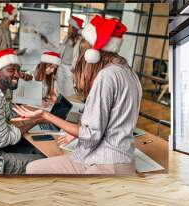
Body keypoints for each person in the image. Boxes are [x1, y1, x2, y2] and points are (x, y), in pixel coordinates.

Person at [13, 15, 142, 175]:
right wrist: (75, 132)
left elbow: (90, 135)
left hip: (106, 163)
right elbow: (101, 126)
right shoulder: (129, 72)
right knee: (32, 168)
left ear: (91, 54)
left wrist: (46, 116)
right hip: (94, 157)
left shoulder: (106, 76)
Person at [40, 15, 84, 97]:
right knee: (59, 90)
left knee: (69, 92)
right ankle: (59, 106)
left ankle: (68, 107)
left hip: (70, 69)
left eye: (70, 27)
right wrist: (46, 42)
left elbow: (79, 58)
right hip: (61, 66)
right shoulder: (67, 38)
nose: (68, 28)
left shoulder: (80, 41)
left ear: (74, 28)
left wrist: (74, 70)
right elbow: (59, 50)